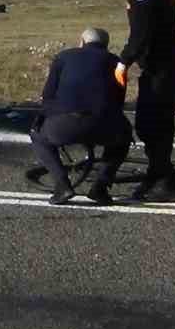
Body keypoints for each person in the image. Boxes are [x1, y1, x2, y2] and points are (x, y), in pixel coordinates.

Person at [114, 0, 175, 201]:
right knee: (156, 123)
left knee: (152, 123)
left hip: (163, 65)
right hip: (166, 62)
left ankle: (165, 181)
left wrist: (123, 61)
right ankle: (158, 175)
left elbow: (141, 33)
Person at [28, 27, 133, 206]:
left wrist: (48, 117)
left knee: (38, 136)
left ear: (82, 41)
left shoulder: (64, 57)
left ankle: (62, 185)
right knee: (123, 139)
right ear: (106, 46)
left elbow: (47, 95)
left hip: (64, 124)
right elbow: (119, 101)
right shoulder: (117, 62)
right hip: (104, 125)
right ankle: (100, 187)